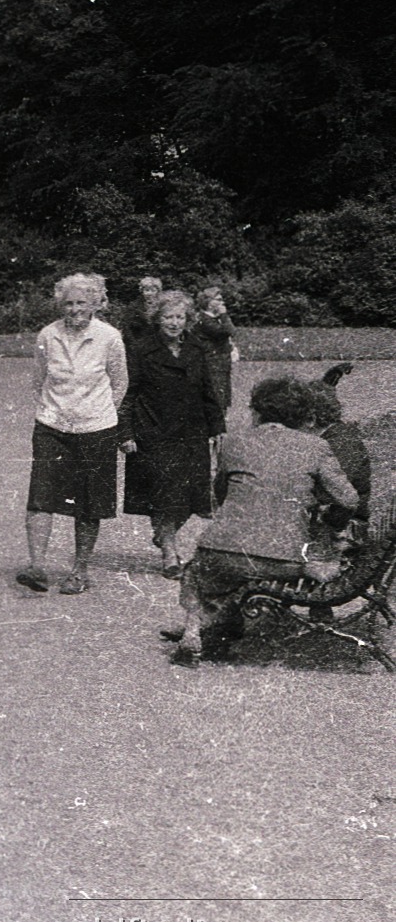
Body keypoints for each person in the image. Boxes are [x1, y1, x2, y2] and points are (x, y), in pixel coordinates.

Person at [168, 375, 358, 666]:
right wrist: (317, 505)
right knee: (249, 567)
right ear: (302, 415)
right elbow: (349, 499)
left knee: (199, 569)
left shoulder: (234, 442)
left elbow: (220, 493)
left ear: (257, 411)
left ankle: (195, 629)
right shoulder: (315, 447)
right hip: (282, 559)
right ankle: (219, 627)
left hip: (221, 551)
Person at [17, 273, 128, 595]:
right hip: (52, 427)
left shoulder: (110, 337)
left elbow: (120, 383)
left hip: (96, 429)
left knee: (89, 504)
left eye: (81, 302)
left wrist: (95, 412)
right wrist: (57, 412)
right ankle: (37, 567)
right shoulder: (47, 335)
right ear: (59, 305)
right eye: (68, 303)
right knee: (40, 497)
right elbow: (38, 380)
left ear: (95, 304)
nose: (75, 309)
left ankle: (80, 571)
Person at [119, 291, 226, 577]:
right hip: (154, 431)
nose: (174, 322)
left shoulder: (196, 347)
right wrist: (125, 432)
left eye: (179, 317)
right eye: (168, 317)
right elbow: (128, 393)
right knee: (165, 494)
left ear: (187, 319)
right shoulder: (141, 349)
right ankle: (169, 552)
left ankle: (164, 533)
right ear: (158, 319)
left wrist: (218, 427)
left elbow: (208, 391)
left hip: (192, 432)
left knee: (193, 496)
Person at [188, 285, 237, 413]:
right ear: (209, 302)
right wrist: (224, 315)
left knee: (222, 395)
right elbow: (230, 331)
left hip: (220, 362)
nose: (222, 302)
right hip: (213, 362)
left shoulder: (213, 319)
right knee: (216, 395)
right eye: (218, 300)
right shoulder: (205, 320)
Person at [122, 275, 164, 345]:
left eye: (153, 290)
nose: (150, 293)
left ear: (158, 291)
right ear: (142, 291)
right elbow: (127, 327)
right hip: (138, 343)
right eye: (147, 290)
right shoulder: (134, 306)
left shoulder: (163, 306)